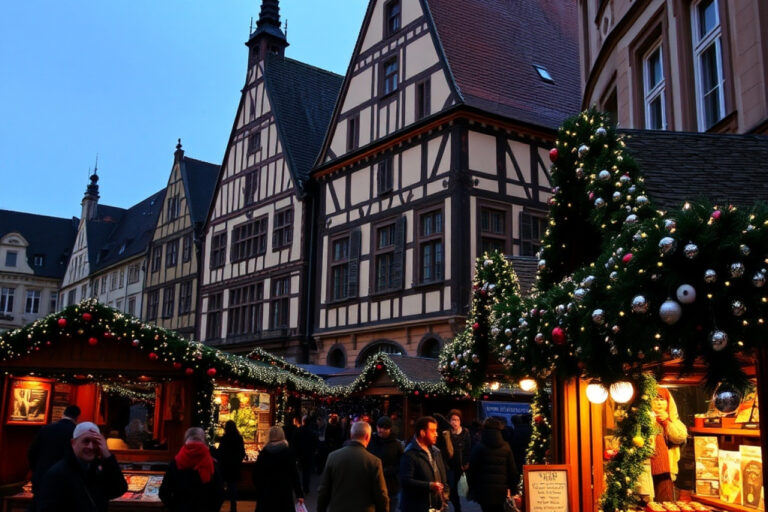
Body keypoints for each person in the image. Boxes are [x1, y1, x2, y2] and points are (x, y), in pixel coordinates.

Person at [35, 421, 128, 512]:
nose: (91, 447)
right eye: (86, 441)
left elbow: (118, 490)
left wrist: (107, 456)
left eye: (95, 442)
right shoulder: (58, 474)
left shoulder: (96, 469)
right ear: (73, 443)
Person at [317, 420, 389, 512]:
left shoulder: (333, 457)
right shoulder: (374, 462)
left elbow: (323, 490)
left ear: (351, 436)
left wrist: (320, 509)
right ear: (367, 437)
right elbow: (381, 495)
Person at [159, 427, 225, 512]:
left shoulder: (175, 463)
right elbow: (220, 494)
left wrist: (175, 508)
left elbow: (163, 493)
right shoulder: (212, 463)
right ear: (204, 441)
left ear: (185, 440)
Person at [28, 404, 80, 498]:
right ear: (77, 418)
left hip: (42, 477)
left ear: (63, 414)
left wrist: (36, 470)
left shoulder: (45, 429)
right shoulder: (76, 432)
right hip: (65, 482)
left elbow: (32, 452)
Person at [467, 417, 519, 512]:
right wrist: (513, 489)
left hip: (484, 492)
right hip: (501, 493)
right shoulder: (506, 447)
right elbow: (512, 470)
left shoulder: (479, 447)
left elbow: (472, 471)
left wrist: (473, 489)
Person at [400, 416, 449, 512]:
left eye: (436, 430)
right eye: (432, 431)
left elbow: (443, 478)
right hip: (417, 507)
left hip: (437, 506)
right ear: (422, 433)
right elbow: (405, 481)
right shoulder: (410, 453)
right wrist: (429, 486)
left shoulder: (436, 451)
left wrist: (445, 496)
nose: (436, 434)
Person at [252, 425, 304, 512]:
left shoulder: (263, 454)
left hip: (266, 495)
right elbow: (294, 475)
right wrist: (299, 494)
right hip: (284, 494)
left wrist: (260, 489)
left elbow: (256, 475)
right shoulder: (288, 453)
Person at [368, 416, 404, 512]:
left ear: (389, 429)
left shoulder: (396, 444)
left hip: (390, 484)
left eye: (384, 428)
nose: (381, 430)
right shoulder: (371, 441)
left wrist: (390, 470)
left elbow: (402, 463)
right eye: (379, 427)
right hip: (373, 483)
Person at [214, 420, 246, 512]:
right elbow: (242, 453)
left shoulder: (224, 438)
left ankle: (220, 504)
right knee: (233, 486)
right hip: (235, 467)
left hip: (225, 467)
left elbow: (220, 453)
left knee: (222, 486)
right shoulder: (239, 438)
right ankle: (233, 505)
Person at [293, 415, 318, 494]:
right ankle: (306, 487)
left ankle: (299, 488)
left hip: (299, 455)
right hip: (308, 454)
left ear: (303, 421)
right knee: (306, 472)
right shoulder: (312, 432)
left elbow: (294, 443)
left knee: (299, 471)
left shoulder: (298, 431)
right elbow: (315, 443)